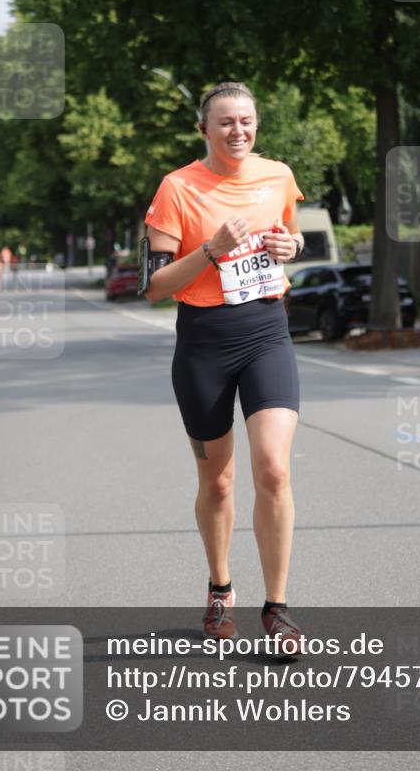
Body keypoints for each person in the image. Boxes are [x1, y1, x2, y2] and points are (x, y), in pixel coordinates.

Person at [144, 81, 306, 652]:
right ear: (204, 130)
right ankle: (220, 588)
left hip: (266, 331)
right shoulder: (178, 188)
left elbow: (292, 232)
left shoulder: (278, 176)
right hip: (204, 343)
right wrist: (210, 249)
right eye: (226, 123)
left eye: (248, 121)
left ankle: (278, 609)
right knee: (217, 483)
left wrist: (294, 247)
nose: (239, 131)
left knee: (274, 469)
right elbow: (155, 287)